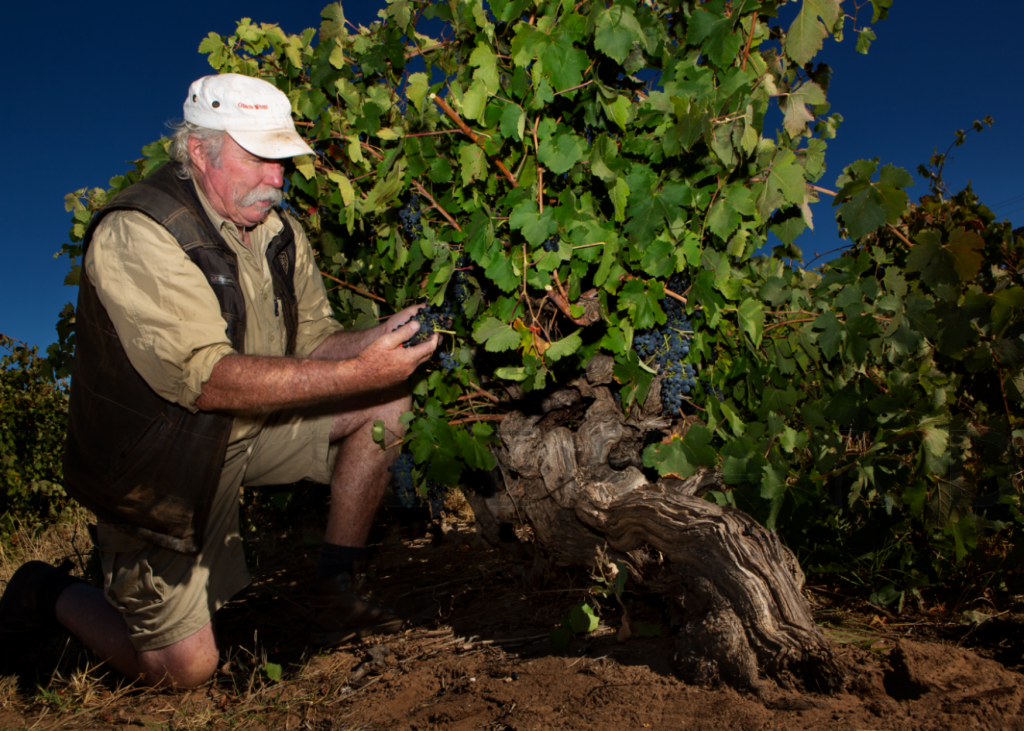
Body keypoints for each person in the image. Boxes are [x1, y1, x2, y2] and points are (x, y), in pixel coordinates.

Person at [0, 74, 437, 688]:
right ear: (199, 151)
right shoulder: (139, 230)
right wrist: (357, 371)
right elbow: (203, 380)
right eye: (259, 157)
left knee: (387, 399)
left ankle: (336, 591)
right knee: (184, 673)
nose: (277, 178)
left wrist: (381, 337)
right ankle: (44, 590)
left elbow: (314, 344)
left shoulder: (279, 234)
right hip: (158, 460)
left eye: (281, 159)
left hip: (246, 427)